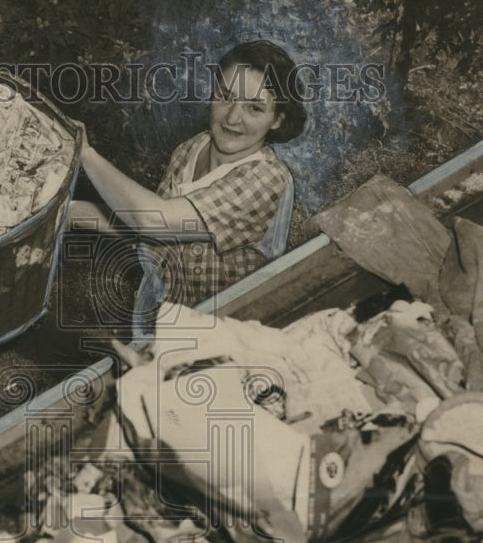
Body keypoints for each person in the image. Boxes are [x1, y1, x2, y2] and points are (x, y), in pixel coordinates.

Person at [69, 40, 307, 339]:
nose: (233, 118)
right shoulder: (192, 149)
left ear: (277, 120)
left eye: (255, 108)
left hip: (220, 338)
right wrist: (72, 213)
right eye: (225, 97)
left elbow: (154, 220)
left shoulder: (266, 179)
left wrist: (85, 153)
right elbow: (150, 234)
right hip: (158, 321)